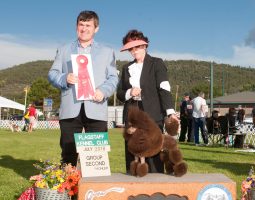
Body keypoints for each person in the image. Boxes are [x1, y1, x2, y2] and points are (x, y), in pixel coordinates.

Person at [48, 11, 118, 166]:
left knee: (96, 159)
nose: (84, 28)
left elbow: (113, 78)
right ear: (76, 26)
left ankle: (93, 188)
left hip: (96, 108)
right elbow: (52, 74)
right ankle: (68, 188)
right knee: (68, 155)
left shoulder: (108, 52)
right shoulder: (63, 49)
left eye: (88, 25)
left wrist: (103, 91)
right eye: (81, 24)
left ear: (96, 28)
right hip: (70, 109)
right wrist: (64, 78)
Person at [117, 29, 178, 174]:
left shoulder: (157, 63)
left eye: (137, 46)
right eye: (130, 48)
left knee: (154, 155)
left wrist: (170, 112)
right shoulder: (126, 68)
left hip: (153, 117)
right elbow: (119, 93)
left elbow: (164, 89)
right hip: (132, 118)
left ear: (144, 46)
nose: (134, 50)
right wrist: (129, 92)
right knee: (133, 155)